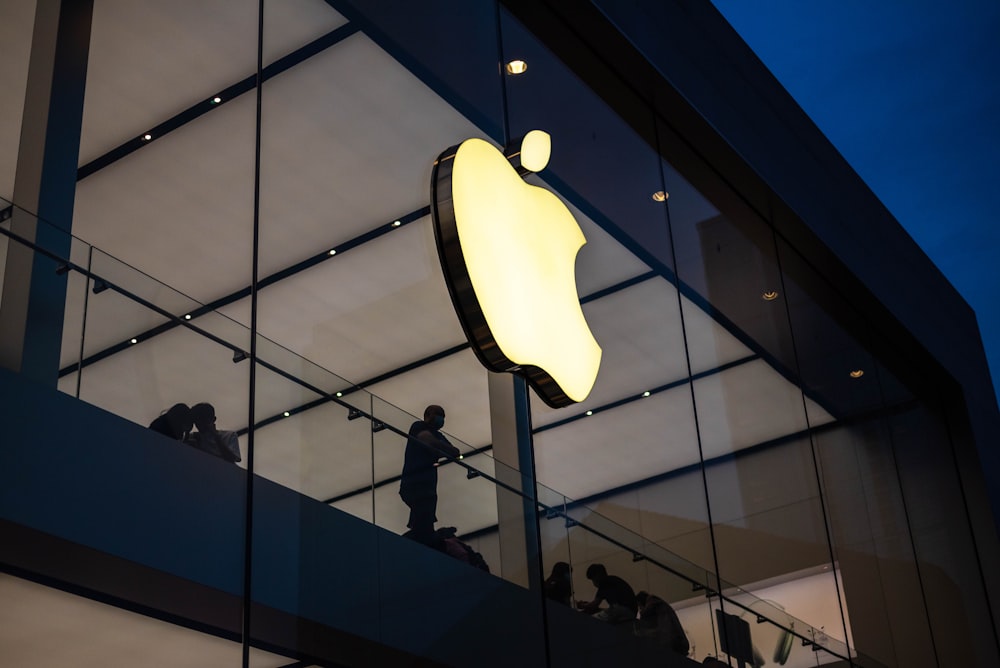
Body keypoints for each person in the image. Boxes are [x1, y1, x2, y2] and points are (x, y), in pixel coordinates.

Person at [399, 404, 460, 546]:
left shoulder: (439, 436)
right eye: (438, 414)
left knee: (422, 521)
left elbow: (456, 452)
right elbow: (427, 440)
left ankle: (417, 542)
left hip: (428, 486)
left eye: (443, 416)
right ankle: (412, 543)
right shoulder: (418, 426)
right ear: (427, 415)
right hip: (415, 483)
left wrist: (437, 446)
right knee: (423, 521)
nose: (441, 418)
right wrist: (439, 447)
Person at [636, 590, 690, 657]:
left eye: (640, 607)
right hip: (678, 647)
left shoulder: (654, 609)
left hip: (671, 650)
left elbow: (664, 633)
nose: (640, 609)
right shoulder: (660, 606)